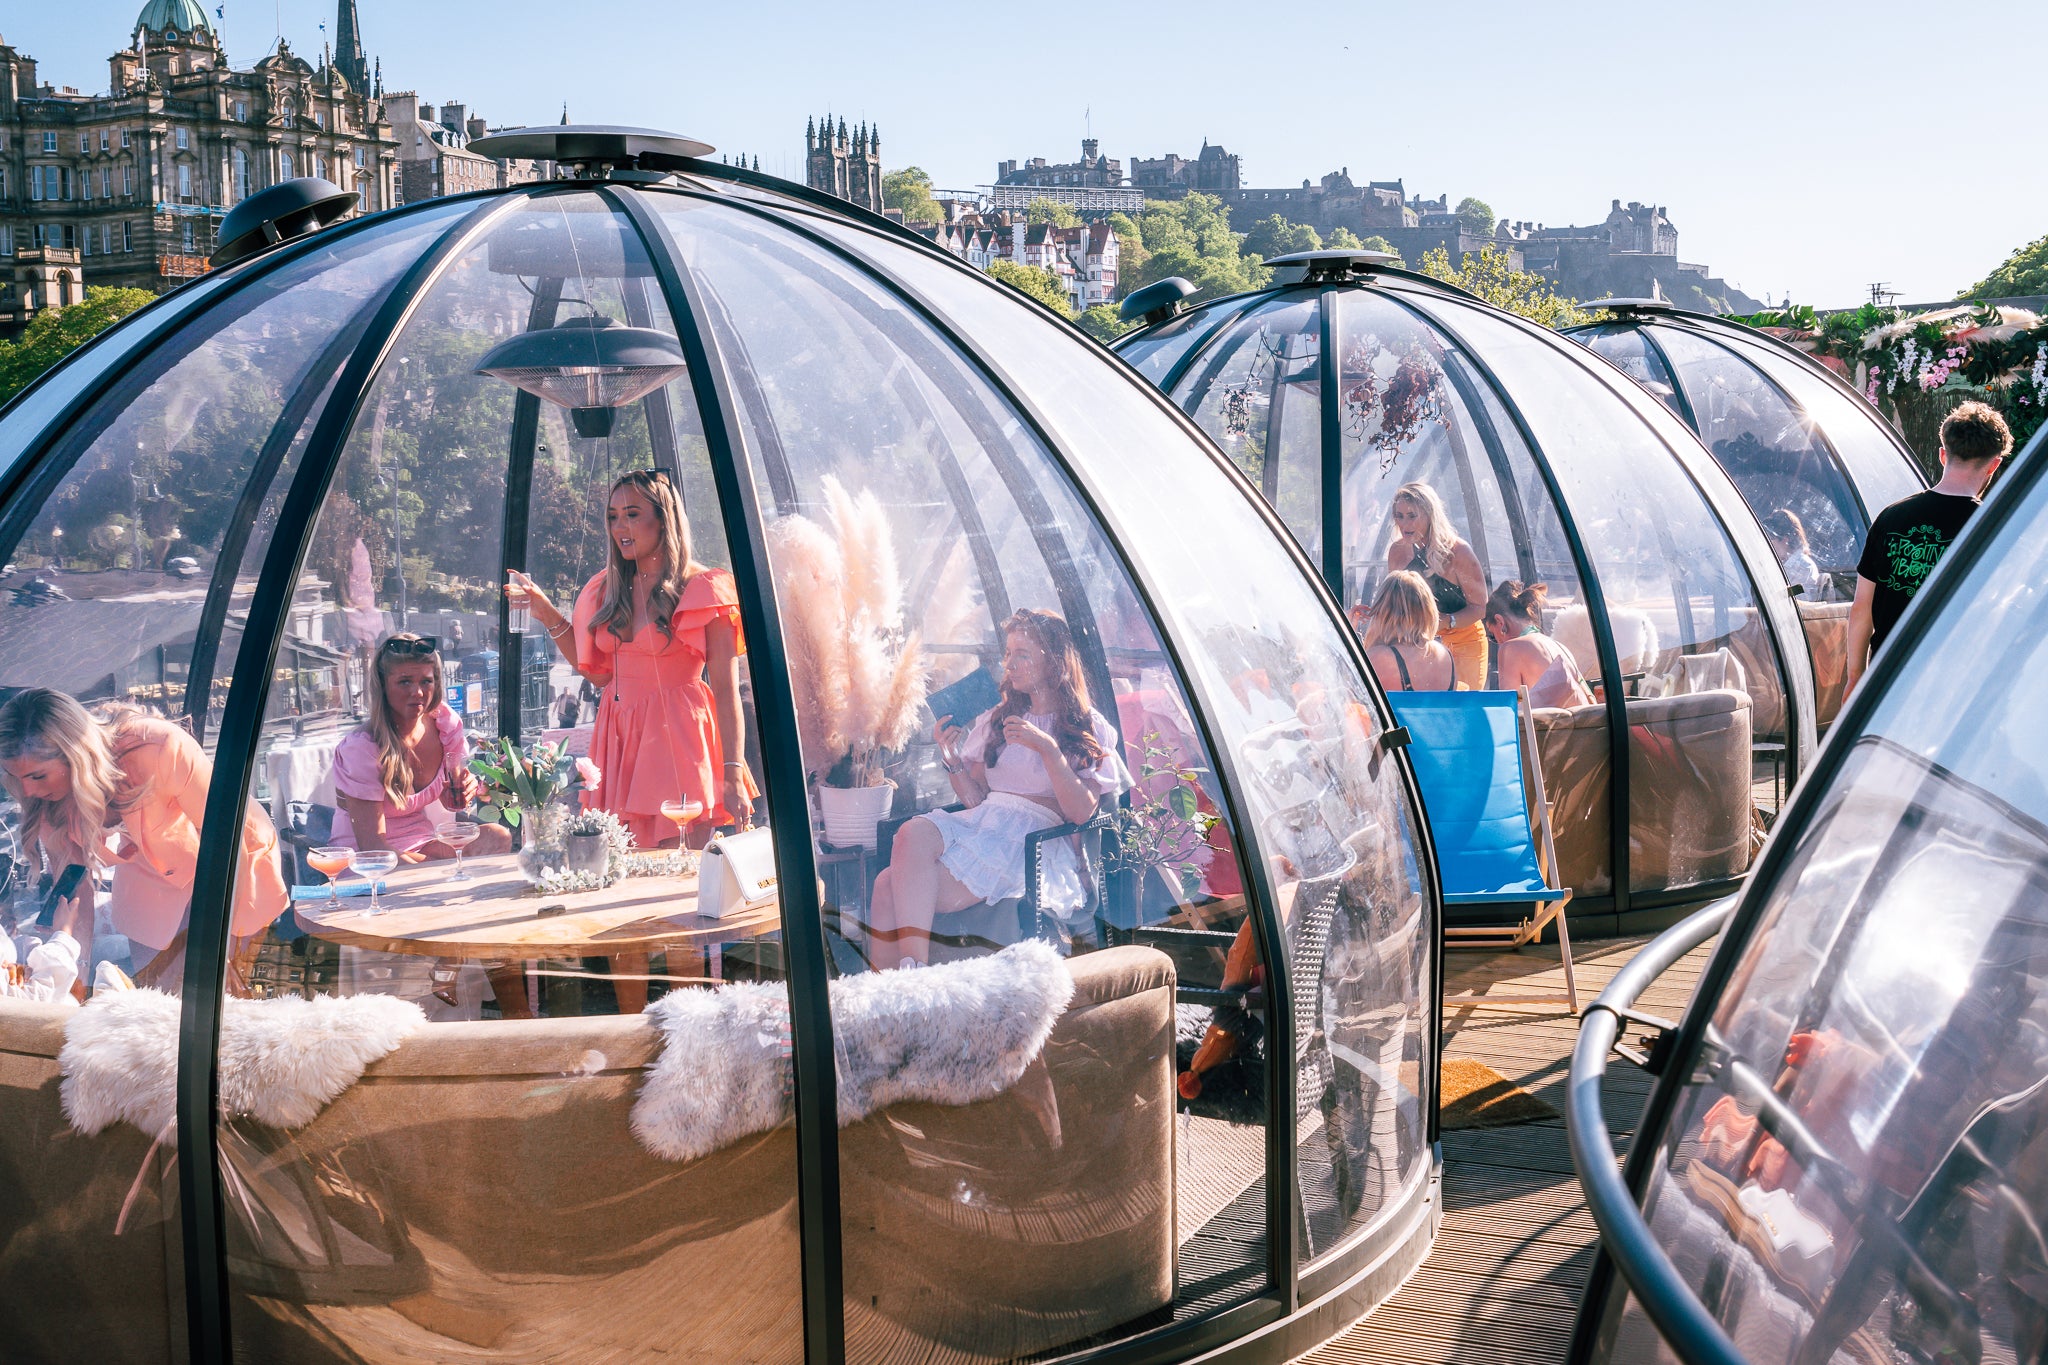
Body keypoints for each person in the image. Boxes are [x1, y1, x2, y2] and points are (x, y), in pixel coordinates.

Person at [506, 468, 756, 850]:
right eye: (612, 516)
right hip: (617, 735)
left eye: (632, 514)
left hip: (678, 735)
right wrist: (545, 613)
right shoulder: (606, 586)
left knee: (678, 865)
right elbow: (601, 676)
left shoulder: (704, 588)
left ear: (663, 518)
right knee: (620, 864)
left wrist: (733, 770)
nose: (620, 526)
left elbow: (726, 690)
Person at [866, 609, 1129, 969]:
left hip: (1032, 842)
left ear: (1054, 661)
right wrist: (951, 755)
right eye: (1008, 654)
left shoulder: (1085, 725)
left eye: (1022, 654)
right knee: (910, 834)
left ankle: (910, 981)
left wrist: (1048, 750)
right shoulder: (998, 718)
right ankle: (902, 984)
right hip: (986, 823)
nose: (1010, 663)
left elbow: (1081, 812)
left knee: (886, 885)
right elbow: (974, 798)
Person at [0, 689, 288, 994]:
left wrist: (217, 946)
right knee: (158, 1000)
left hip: (233, 862)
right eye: (14, 777)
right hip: (151, 883)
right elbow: (74, 893)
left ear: (74, 755)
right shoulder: (47, 801)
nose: (27, 791)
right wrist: (76, 980)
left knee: (221, 994)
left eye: (37, 776)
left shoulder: (159, 747)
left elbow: (226, 841)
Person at [1846, 402, 2012, 694]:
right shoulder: (1993, 528)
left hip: (1887, 681)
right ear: (1994, 464)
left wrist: (1855, 678)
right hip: (1953, 688)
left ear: (1943, 454)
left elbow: (1861, 608)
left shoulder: (1891, 518)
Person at [330, 634, 512, 863]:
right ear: (383, 686)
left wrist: (462, 791)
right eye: (405, 681)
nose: (417, 692)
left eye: (426, 681)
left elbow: (453, 794)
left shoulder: (445, 724)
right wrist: (432, 874)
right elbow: (373, 848)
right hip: (367, 860)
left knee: (497, 836)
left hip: (422, 843)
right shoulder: (362, 749)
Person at [1385, 481, 1489, 691]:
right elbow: (1396, 600)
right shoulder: (1397, 552)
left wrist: (1446, 622)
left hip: (1464, 641)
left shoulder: (1458, 552)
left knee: (1458, 708)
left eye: (1412, 515)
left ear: (1430, 514)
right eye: (1399, 515)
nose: (1404, 523)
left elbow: (1480, 607)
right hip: (1418, 643)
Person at [1485, 580, 1594, 709]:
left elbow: (1509, 709)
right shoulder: (1560, 647)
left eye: (1492, 635)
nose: (1497, 642)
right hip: (1580, 726)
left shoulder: (1510, 648)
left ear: (1500, 622)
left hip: (1547, 728)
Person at [1357, 571, 1456, 692]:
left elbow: (1346, 696)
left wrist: (1348, 634)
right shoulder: (1445, 655)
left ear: (1383, 610)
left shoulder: (1379, 657)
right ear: (1427, 609)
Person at [1760, 507, 1827, 601]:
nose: (1767, 544)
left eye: (1771, 539)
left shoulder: (1804, 567)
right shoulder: (1772, 564)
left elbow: (1798, 604)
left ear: (1785, 539)